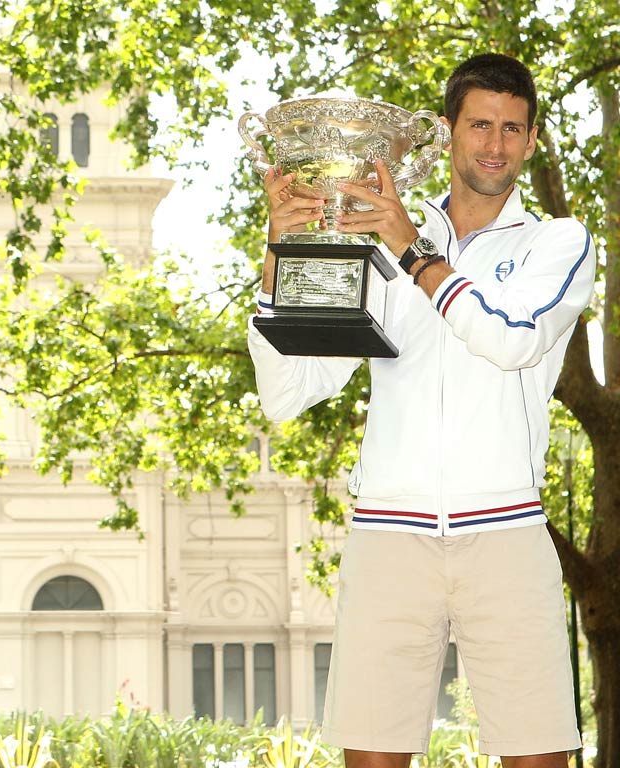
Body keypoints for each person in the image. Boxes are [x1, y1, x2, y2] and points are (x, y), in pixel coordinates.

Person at [249, 53, 595, 768]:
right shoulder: (377, 244)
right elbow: (289, 393)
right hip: (389, 537)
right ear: (446, 131)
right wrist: (279, 259)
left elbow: (511, 339)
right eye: (479, 126)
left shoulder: (557, 242)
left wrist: (411, 246)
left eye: (511, 129)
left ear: (532, 141)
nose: (494, 145)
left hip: (506, 535)